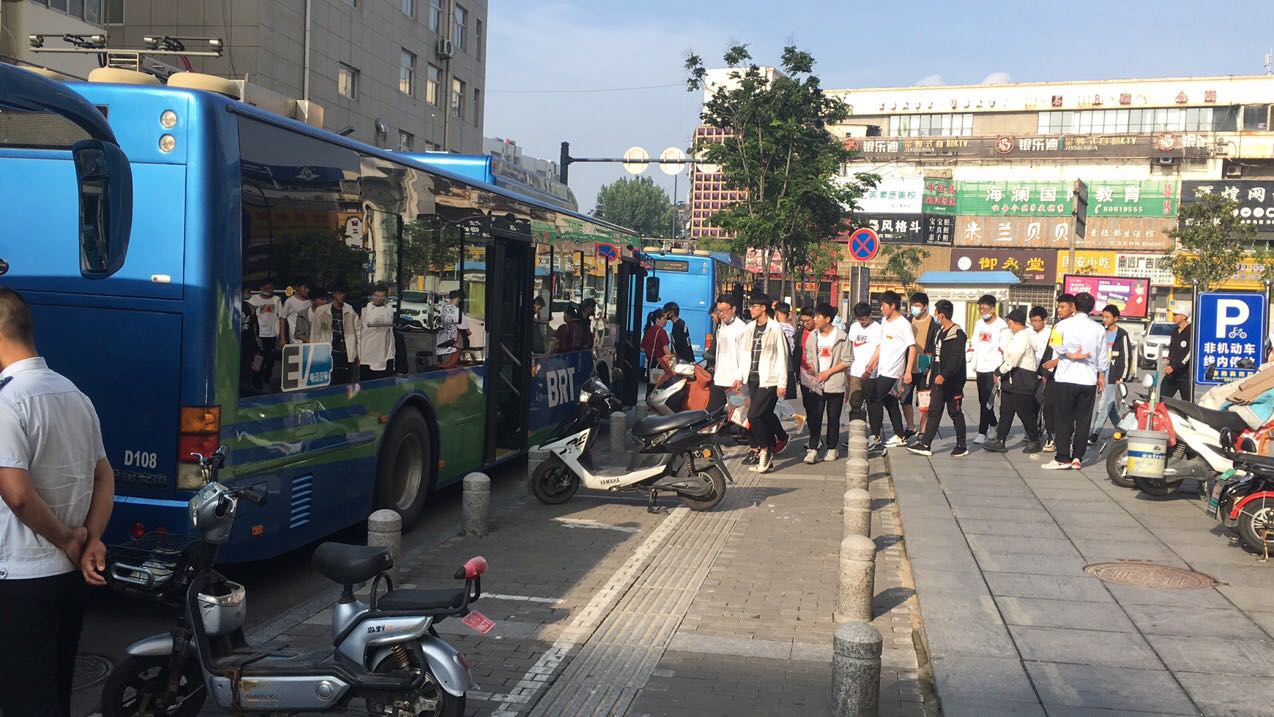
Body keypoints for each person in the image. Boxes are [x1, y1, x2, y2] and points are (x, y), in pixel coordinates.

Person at [0, 289, 114, 716]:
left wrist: (68, 538)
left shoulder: (6, 401)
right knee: (56, 693)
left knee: (26, 702)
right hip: (68, 577)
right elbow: (104, 475)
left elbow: (16, 494)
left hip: (19, 577)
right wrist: (92, 538)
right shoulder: (74, 393)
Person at [1043, 292, 1109, 470]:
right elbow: (1103, 356)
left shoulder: (1062, 325)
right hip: (1088, 380)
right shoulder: (1099, 329)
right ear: (1091, 308)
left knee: (1063, 419)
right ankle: (1078, 457)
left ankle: (1063, 457)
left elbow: (1054, 344)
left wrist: (1069, 354)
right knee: (1083, 420)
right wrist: (1101, 376)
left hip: (1066, 378)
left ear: (1073, 306)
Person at [906, 299, 968, 457]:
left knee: (955, 412)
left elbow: (956, 359)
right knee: (934, 411)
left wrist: (944, 375)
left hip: (952, 382)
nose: (934, 316)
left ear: (941, 315)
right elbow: (936, 356)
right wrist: (931, 373)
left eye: (936, 313)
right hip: (937, 380)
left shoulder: (957, 334)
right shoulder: (939, 332)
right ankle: (925, 444)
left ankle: (962, 445)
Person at [743, 293, 790, 473]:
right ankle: (770, 452)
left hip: (769, 379)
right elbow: (745, 353)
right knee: (762, 415)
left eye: (754, 306)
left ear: (763, 308)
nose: (751, 309)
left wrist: (782, 383)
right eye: (750, 306)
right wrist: (740, 377)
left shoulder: (775, 328)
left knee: (754, 416)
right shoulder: (749, 327)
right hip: (751, 378)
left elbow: (782, 356)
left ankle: (765, 450)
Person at [984, 309, 1042, 454]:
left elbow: (1013, 359)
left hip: (1021, 380)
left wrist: (998, 371)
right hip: (1011, 380)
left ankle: (1034, 440)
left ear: (1013, 322)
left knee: (1025, 412)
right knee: (1006, 412)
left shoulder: (1022, 337)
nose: (1009, 325)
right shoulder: (1019, 336)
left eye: (1009, 321)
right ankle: (1000, 440)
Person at [865, 291, 915, 450]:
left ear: (892, 306)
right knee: (890, 402)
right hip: (882, 368)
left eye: (883, 305)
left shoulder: (903, 324)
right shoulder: (885, 322)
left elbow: (912, 348)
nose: (881, 308)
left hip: (893, 371)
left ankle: (875, 436)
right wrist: (871, 363)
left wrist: (908, 371)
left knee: (873, 399)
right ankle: (900, 435)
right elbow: (881, 345)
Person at [799, 304, 850, 464]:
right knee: (815, 417)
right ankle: (813, 448)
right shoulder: (813, 336)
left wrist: (828, 372)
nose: (814, 319)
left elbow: (847, 360)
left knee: (833, 417)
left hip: (835, 382)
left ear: (827, 319)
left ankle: (832, 448)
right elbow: (809, 356)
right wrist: (812, 368)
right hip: (816, 384)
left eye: (817, 317)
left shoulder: (842, 337)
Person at [1090, 304, 1134, 442]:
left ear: (1115, 318)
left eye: (1107, 317)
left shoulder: (1121, 335)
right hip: (1100, 373)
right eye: (1103, 317)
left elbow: (1126, 357)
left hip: (1113, 375)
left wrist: (1122, 377)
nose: (1104, 319)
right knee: (1110, 406)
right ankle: (1124, 430)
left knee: (1104, 404)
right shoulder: (1101, 332)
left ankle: (1094, 433)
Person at [970, 294, 1009, 444]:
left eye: (985, 309)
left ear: (993, 309)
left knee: (987, 400)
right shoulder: (979, 323)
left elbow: (1004, 348)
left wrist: (999, 371)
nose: (982, 311)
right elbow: (975, 342)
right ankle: (993, 424)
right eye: (980, 309)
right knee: (983, 400)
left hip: (993, 368)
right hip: (980, 366)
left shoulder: (1001, 326)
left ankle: (982, 432)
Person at [310, 287, 358, 384]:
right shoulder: (321, 310)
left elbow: (357, 332)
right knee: (329, 382)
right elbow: (315, 334)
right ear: (334, 294)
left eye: (344, 293)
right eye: (340, 293)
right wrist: (314, 354)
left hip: (345, 353)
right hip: (329, 352)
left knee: (346, 383)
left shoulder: (350, 310)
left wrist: (357, 353)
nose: (342, 296)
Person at [908, 292, 938, 438]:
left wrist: (931, 366)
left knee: (924, 401)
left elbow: (936, 347)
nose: (914, 308)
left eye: (917, 305)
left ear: (925, 306)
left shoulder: (934, 324)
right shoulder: (908, 321)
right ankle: (910, 427)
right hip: (908, 368)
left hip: (925, 368)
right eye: (913, 305)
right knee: (905, 399)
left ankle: (923, 430)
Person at [1029, 306, 1057, 450]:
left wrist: (1046, 373)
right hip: (1031, 373)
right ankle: (1034, 429)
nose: (1034, 324)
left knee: (1045, 404)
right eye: (1032, 321)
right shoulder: (1028, 333)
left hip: (1045, 373)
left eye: (1037, 321)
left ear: (1044, 320)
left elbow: (1051, 354)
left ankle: (1049, 433)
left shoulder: (1051, 333)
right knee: (1032, 404)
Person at [846, 302, 880, 422]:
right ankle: (856, 428)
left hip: (871, 373)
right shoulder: (854, 327)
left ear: (870, 315)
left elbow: (879, 350)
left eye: (863, 319)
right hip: (855, 371)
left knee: (871, 403)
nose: (861, 322)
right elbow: (850, 346)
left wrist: (870, 369)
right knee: (855, 402)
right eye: (859, 319)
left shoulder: (877, 328)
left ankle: (874, 428)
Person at [248, 282, 282, 391]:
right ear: (261, 288)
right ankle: (256, 384)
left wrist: (280, 335)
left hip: (272, 335)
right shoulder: (253, 300)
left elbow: (280, 317)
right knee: (258, 359)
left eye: (271, 287)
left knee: (270, 359)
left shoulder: (276, 300)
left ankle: (266, 379)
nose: (269, 289)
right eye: (266, 287)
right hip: (259, 335)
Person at [359, 286, 397, 379]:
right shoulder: (364, 310)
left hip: (385, 355)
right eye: (376, 296)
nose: (378, 299)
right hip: (366, 354)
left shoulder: (389, 310)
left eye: (382, 296)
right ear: (372, 296)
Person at [1162, 300, 1193, 400]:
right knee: (1161, 398)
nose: (1173, 317)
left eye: (1176, 315)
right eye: (1173, 315)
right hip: (1172, 374)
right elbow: (1172, 350)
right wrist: (1169, 364)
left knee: (1187, 403)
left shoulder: (1191, 331)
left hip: (1185, 375)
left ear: (1184, 316)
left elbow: (1190, 353)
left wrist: (1175, 366)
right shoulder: (1175, 331)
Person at [437, 290, 471, 369]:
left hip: (444, 334)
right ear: (457, 298)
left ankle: (450, 362)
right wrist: (469, 332)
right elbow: (463, 325)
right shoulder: (457, 311)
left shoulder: (444, 308)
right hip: (454, 336)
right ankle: (452, 363)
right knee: (460, 343)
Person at [641, 308, 671, 394]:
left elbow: (642, 348)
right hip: (660, 364)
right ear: (657, 319)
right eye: (664, 318)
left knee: (650, 387)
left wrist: (650, 352)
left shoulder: (648, 331)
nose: (666, 321)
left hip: (650, 363)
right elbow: (667, 352)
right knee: (659, 389)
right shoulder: (661, 332)